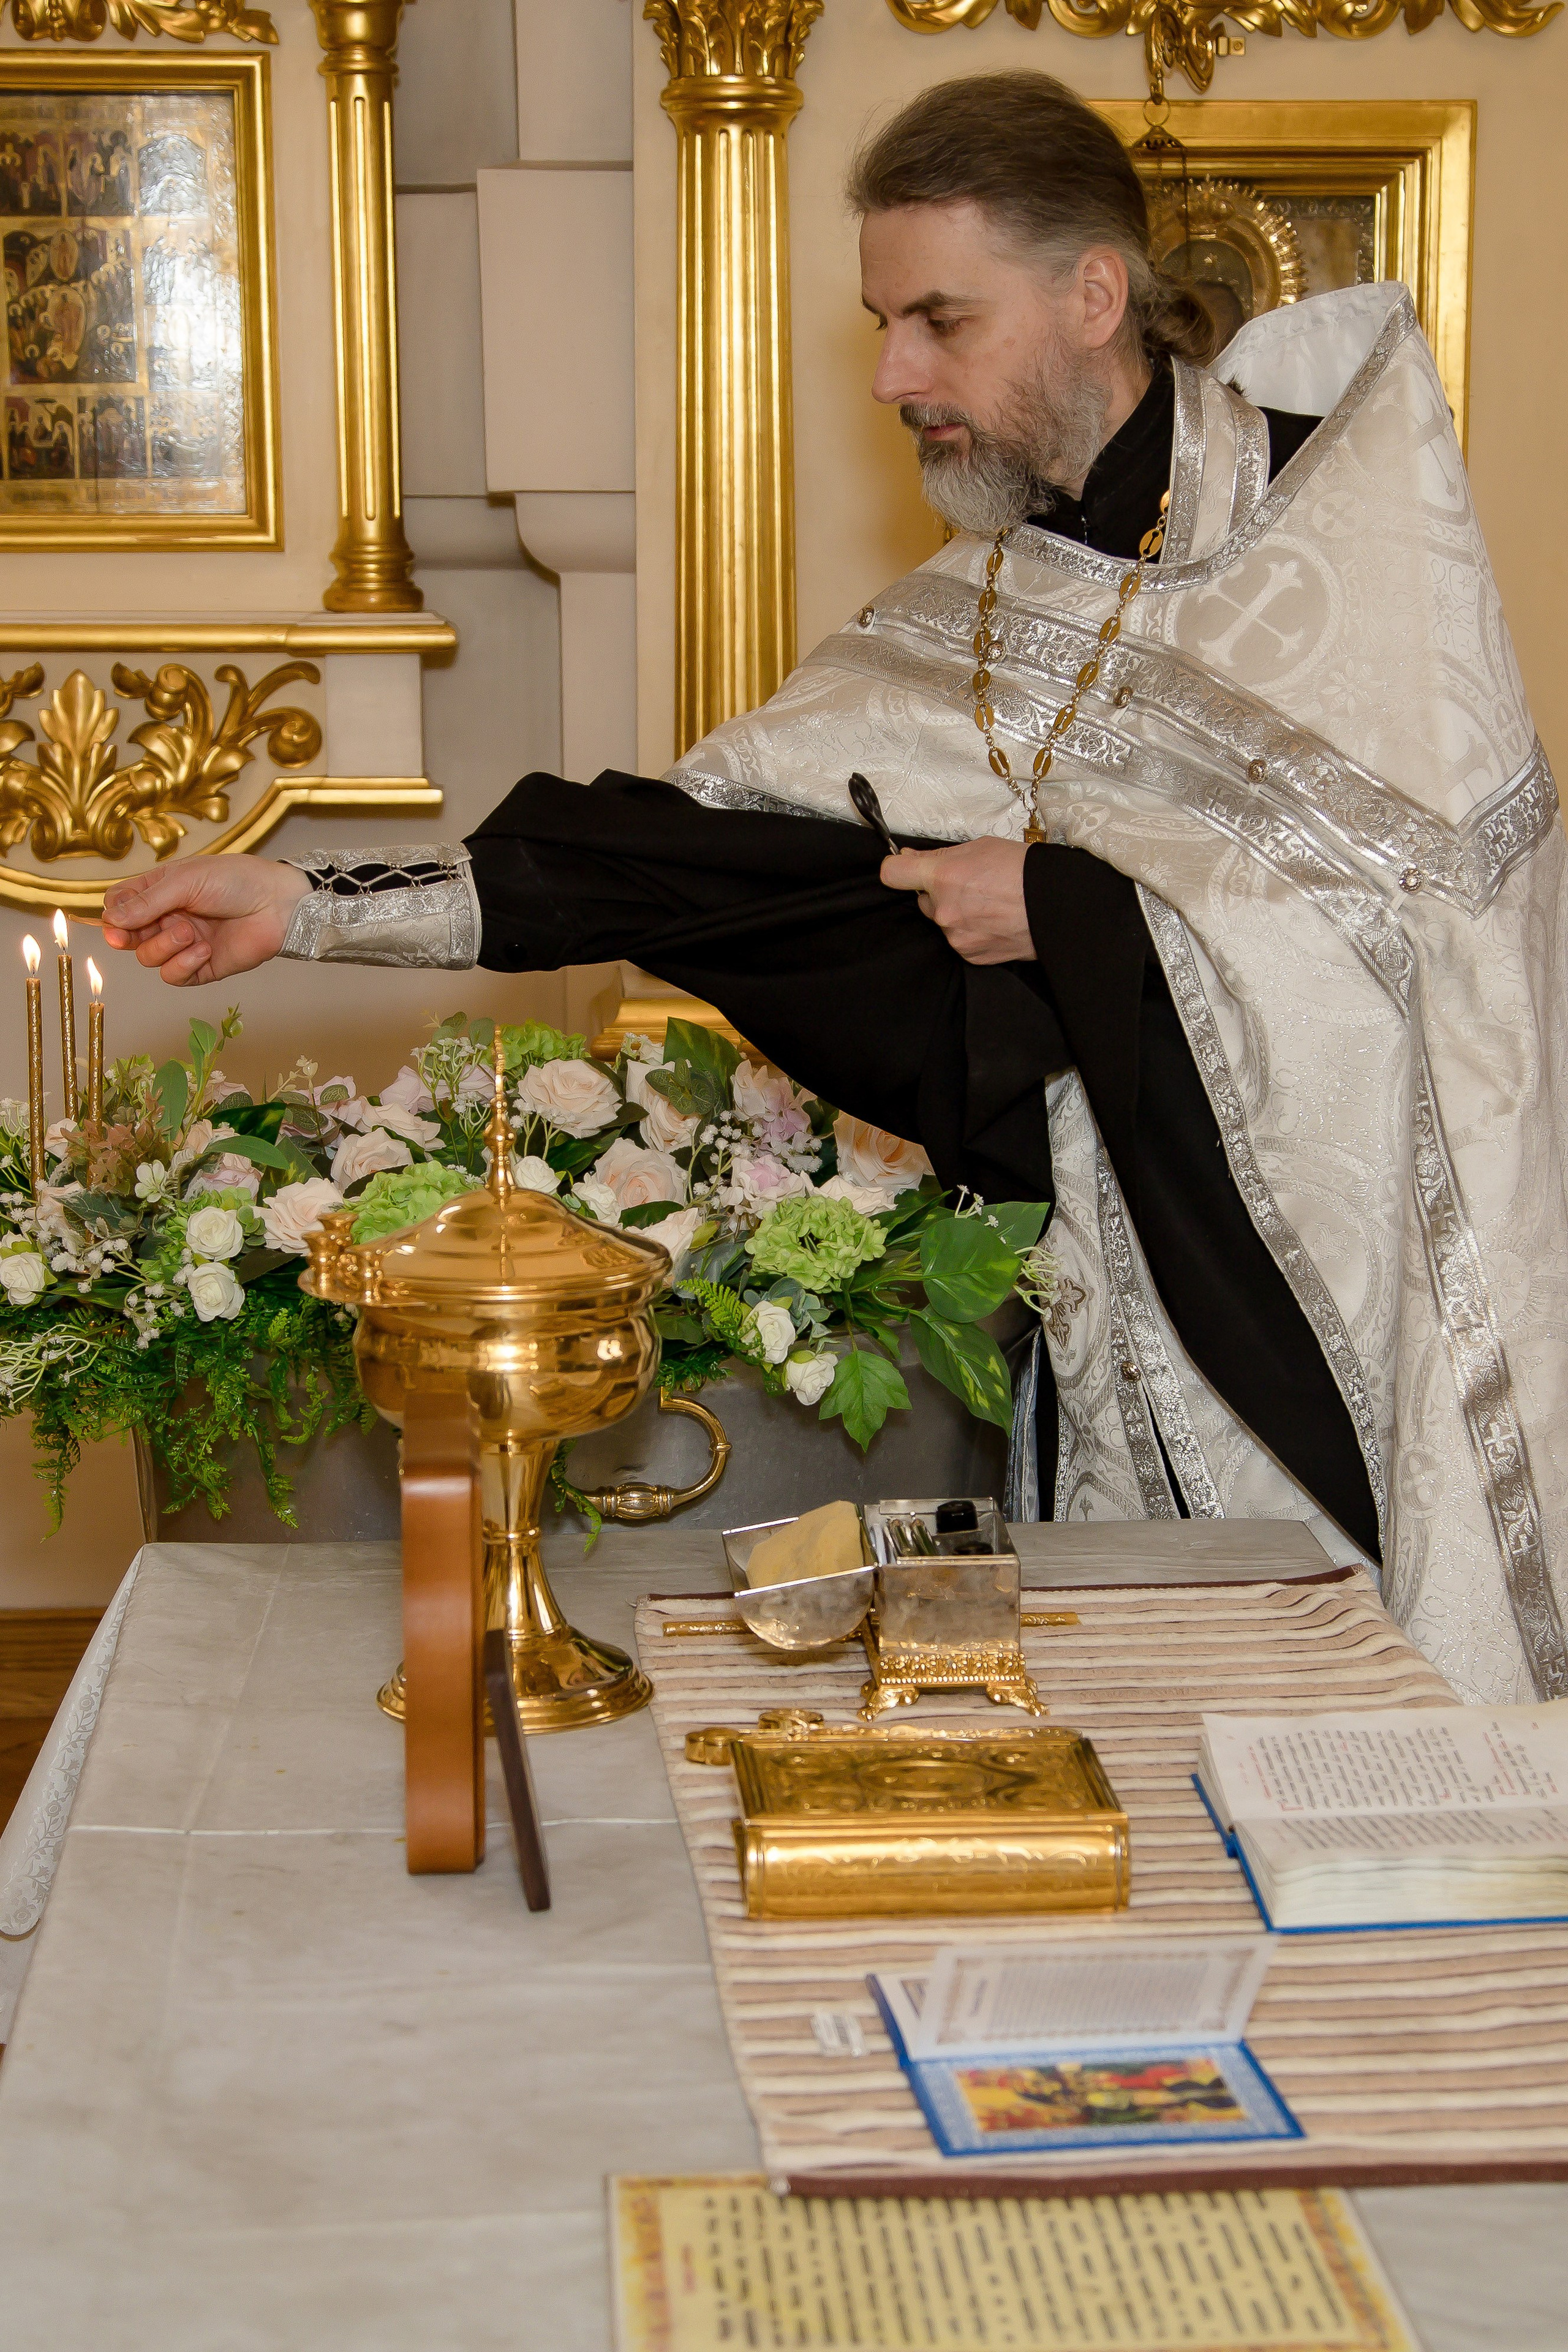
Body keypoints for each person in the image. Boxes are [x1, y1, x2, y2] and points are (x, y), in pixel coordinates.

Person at [99, 72, 1568, 1707]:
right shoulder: (987, 603)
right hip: (1118, 1329)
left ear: (1094, 296)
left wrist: (1076, 908)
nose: (893, 377)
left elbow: (1459, 929)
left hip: (1373, 1348)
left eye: (941, 321)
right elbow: (700, 846)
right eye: (885, 324)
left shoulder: (1353, 532)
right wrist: (312, 901)